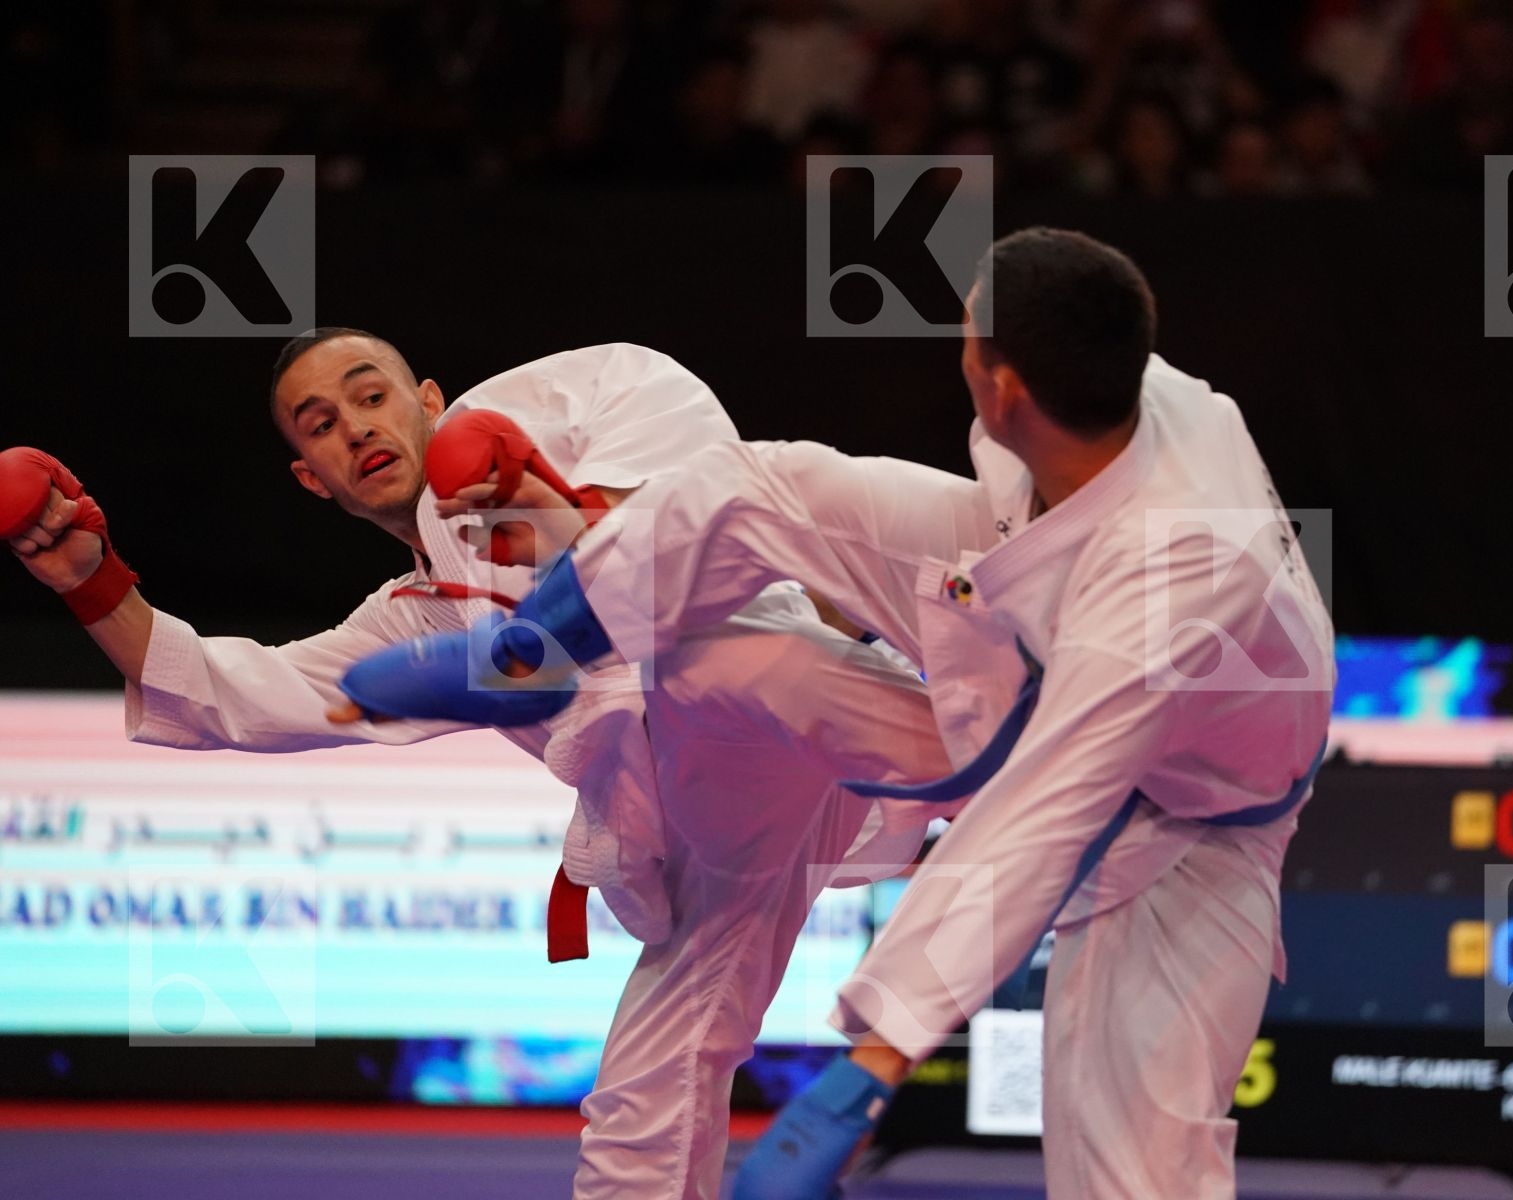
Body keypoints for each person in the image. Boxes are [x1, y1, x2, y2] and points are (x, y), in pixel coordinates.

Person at [343, 229, 1337, 1198]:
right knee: (767, 485)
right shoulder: (1113, 386)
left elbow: (1041, 817)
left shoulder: (1168, 582)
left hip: (1189, 811)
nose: (957, 350)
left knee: (1135, 1174)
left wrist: (868, 1070)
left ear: (1002, 389)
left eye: (968, 337)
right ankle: (537, 647)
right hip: (1022, 580)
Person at [2, 332, 952, 1200]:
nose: (355, 428)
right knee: (639, 1107)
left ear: (428, 398)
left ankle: (562, 643)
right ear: (311, 479)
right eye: (321, 426)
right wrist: (91, 582)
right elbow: (232, 695)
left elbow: (673, 419)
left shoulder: (525, 418)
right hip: (717, 828)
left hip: (772, 686)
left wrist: (558, 508)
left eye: (370, 396)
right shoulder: (414, 618)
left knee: (740, 658)